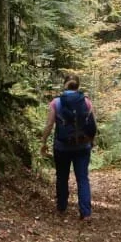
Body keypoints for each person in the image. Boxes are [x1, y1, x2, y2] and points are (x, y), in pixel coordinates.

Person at [43, 75, 97, 219]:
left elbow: (49, 125)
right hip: (82, 146)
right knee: (83, 178)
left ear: (64, 85)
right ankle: (85, 213)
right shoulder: (86, 102)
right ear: (78, 86)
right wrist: (92, 141)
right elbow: (92, 124)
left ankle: (61, 207)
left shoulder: (56, 103)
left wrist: (43, 142)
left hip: (61, 147)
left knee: (62, 177)